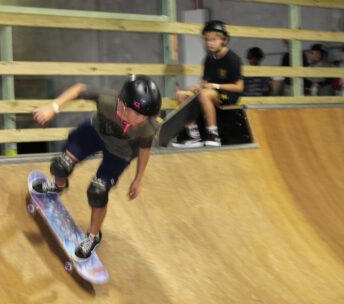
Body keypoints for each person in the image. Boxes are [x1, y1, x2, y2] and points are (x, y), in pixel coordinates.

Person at [31, 75, 161, 261]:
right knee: (61, 165)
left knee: (98, 191)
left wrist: (138, 179)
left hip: (121, 151)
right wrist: (54, 107)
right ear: (123, 104)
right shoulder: (107, 98)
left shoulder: (148, 126)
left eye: (147, 116)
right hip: (94, 133)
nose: (142, 119)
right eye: (139, 114)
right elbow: (78, 89)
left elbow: (144, 150)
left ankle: (93, 237)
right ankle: (57, 186)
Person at [172, 20, 243, 148]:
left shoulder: (232, 59)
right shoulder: (209, 59)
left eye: (214, 40)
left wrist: (215, 86)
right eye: (208, 40)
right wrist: (196, 87)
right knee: (182, 95)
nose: (210, 43)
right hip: (212, 92)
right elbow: (206, 83)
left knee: (204, 95)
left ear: (224, 40)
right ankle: (194, 137)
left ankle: (213, 135)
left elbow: (239, 87)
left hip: (229, 95)